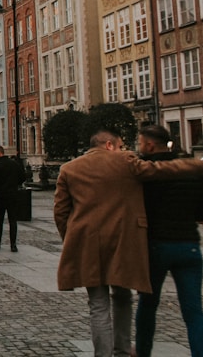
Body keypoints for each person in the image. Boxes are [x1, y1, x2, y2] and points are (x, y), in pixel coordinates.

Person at [54, 128, 203, 357]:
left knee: (98, 305)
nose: (125, 149)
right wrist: (196, 164)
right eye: (122, 145)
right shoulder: (125, 162)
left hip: (88, 244)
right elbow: (163, 169)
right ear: (110, 145)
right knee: (123, 297)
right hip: (123, 242)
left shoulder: (69, 169)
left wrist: (72, 238)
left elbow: (61, 211)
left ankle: (103, 354)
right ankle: (122, 348)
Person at [134, 125, 203, 357]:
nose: (139, 147)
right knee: (193, 311)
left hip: (157, 245)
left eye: (140, 143)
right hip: (189, 244)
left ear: (150, 145)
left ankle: (143, 352)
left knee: (148, 304)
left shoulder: (146, 174)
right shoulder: (191, 171)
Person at [0, 145, 24, 252]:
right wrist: (15, 185)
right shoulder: (14, 164)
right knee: (13, 220)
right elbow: (22, 177)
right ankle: (13, 244)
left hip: (1, 196)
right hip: (12, 195)